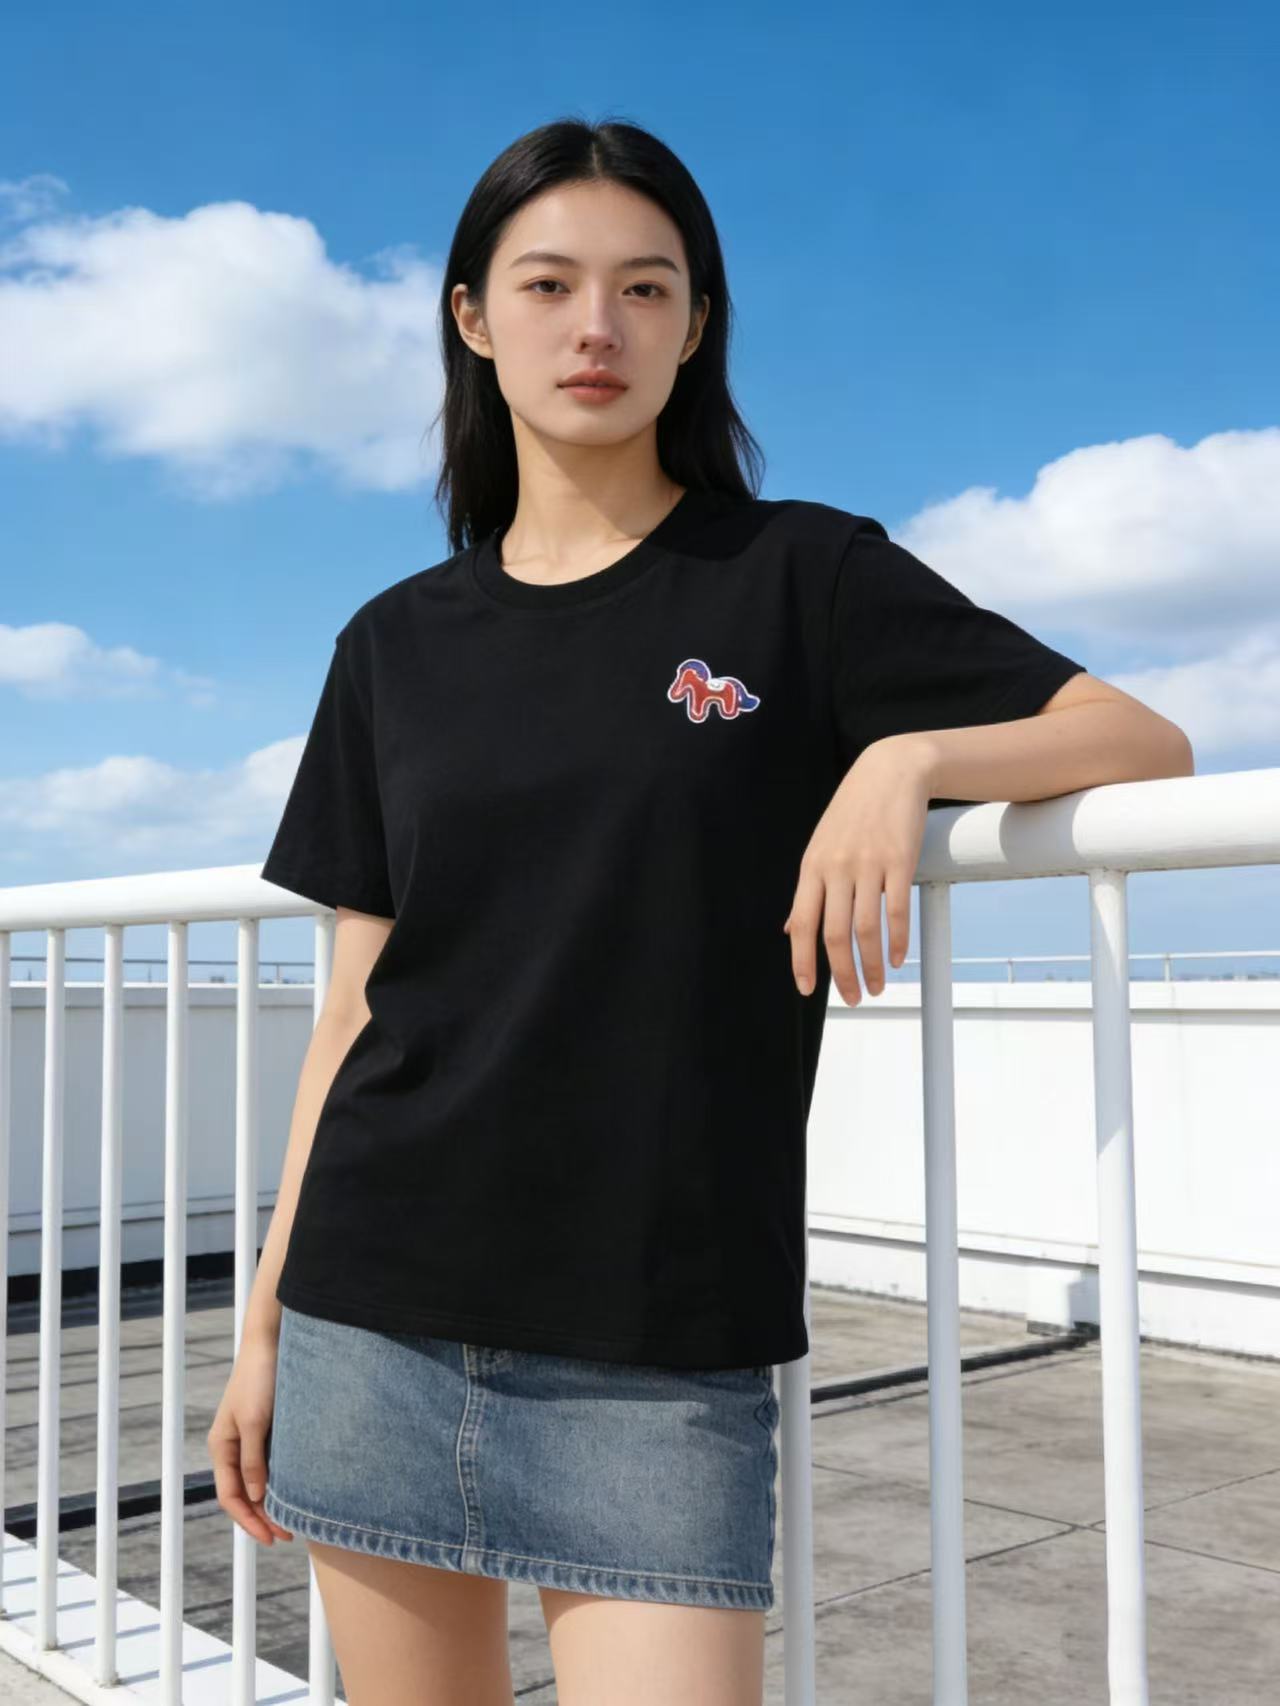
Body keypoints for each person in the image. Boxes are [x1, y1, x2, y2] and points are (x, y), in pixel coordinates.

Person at [207, 116, 1181, 1706]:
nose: (597, 326)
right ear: (472, 317)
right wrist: (262, 1334)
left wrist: (910, 756)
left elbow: (1140, 740)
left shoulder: (802, 578)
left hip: (656, 1348)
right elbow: (349, 1019)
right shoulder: (390, 644)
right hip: (369, 1315)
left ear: (695, 324)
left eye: (646, 287)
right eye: (549, 284)